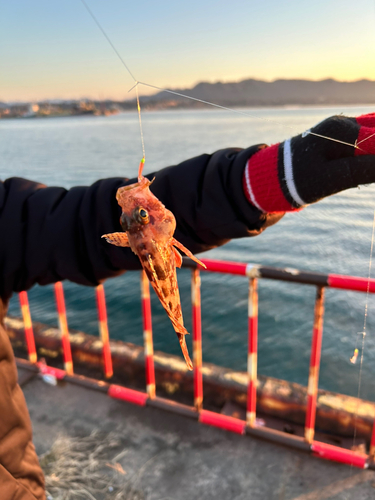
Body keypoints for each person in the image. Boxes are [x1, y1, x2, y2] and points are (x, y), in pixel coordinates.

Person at [1, 113, 375, 499]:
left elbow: (65, 225)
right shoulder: (139, 229)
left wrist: (264, 179)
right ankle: (181, 334)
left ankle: (181, 333)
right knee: (170, 299)